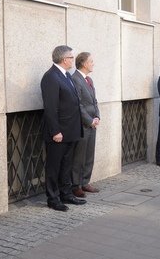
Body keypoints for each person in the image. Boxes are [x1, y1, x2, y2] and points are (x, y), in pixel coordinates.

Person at [40, 45, 86, 211]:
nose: (73, 60)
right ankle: (53, 199)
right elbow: (51, 107)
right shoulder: (51, 77)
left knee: (66, 164)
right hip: (59, 132)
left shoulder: (66, 75)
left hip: (71, 130)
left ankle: (66, 194)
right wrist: (55, 131)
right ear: (63, 59)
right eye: (71, 58)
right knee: (54, 166)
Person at [71, 52, 100, 197]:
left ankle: (85, 182)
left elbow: (94, 101)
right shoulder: (75, 79)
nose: (93, 63)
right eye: (91, 61)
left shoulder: (89, 80)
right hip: (82, 125)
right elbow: (78, 104)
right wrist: (89, 120)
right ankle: (76, 185)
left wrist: (97, 117)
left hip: (92, 123)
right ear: (84, 63)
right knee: (79, 157)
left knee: (89, 155)